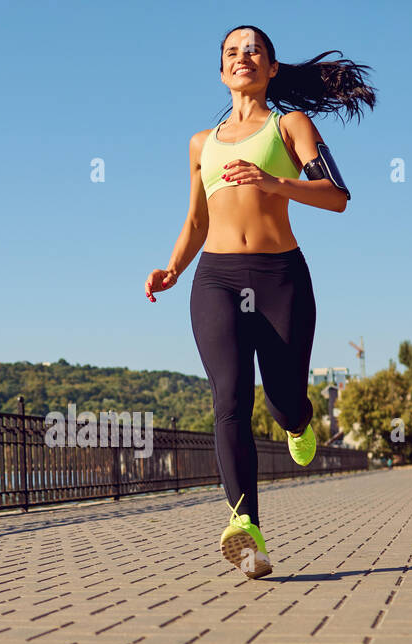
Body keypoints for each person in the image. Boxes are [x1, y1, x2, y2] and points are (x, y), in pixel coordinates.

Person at [144, 25, 375, 579]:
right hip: (216, 278)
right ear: (222, 72)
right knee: (228, 399)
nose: (242, 57)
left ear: (272, 68)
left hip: (280, 277)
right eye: (231, 52)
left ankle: (298, 419)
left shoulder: (290, 124)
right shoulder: (201, 143)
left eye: (253, 50)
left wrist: (274, 182)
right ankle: (245, 528)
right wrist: (173, 267)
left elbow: (338, 198)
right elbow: (197, 219)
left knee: (282, 396)